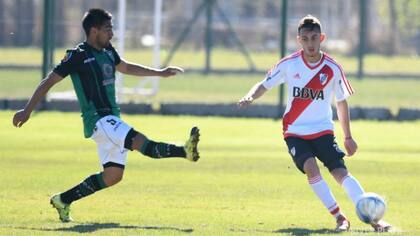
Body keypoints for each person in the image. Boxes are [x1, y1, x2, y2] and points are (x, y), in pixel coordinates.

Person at [12, 8, 200, 223]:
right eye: (108, 29)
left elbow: (126, 67)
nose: (112, 33)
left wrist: (159, 73)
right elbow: (49, 81)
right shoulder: (77, 56)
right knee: (141, 142)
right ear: (94, 31)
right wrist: (27, 110)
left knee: (112, 176)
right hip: (99, 120)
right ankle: (184, 150)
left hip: (112, 119)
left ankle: (63, 200)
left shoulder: (108, 50)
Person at [238, 15, 391, 232]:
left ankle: (376, 220)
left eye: (314, 38)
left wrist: (347, 136)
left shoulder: (332, 68)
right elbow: (264, 84)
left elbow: (341, 102)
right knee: (311, 168)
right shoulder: (289, 64)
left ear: (322, 38)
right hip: (294, 131)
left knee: (340, 173)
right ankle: (340, 218)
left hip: (323, 131)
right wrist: (250, 96)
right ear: (299, 40)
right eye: (306, 39)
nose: (310, 43)